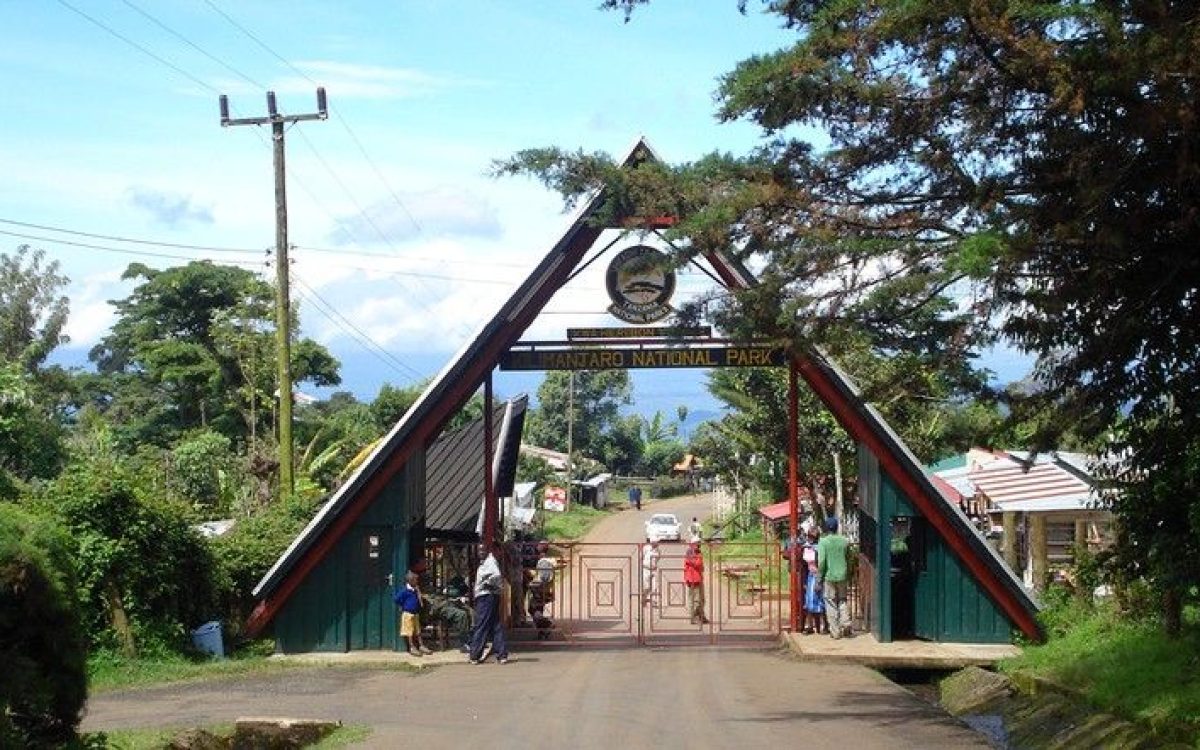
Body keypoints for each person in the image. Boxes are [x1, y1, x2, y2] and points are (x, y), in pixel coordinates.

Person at [467, 541, 510, 664]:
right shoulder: (486, 562)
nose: (480, 553)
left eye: (483, 550)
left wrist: (487, 583)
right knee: (496, 625)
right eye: (479, 551)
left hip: (486, 597)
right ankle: (502, 654)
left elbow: (496, 575)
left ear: (488, 551)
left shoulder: (490, 562)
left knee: (481, 624)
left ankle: (475, 655)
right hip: (490, 596)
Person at [817, 516, 852, 639]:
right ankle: (846, 623)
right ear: (837, 528)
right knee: (842, 599)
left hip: (829, 576)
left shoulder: (823, 542)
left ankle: (835, 631)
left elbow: (821, 561)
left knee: (830, 602)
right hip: (842, 575)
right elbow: (848, 558)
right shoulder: (844, 541)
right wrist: (848, 573)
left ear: (826, 528)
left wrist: (819, 578)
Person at [393, 572, 433, 656]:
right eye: (415, 580)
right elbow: (396, 599)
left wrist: (418, 592)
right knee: (409, 632)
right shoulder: (405, 591)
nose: (417, 582)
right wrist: (403, 605)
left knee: (418, 630)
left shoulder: (415, 590)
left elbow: (420, 601)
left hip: (415, 613)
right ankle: (412, 647)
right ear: (410, 581)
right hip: (408, 614)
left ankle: (421, 645)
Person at [801, 527, 827, 634]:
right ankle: (811, 626)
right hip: (811, 576)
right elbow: (805, 562)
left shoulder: (820, 547)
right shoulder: (807, 547)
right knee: (810, 600)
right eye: (810, 536)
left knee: (822, 600)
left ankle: (825, 626)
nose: (810, 539)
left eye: (813, 537)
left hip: (819, 575)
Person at [683, 541, 709, 624]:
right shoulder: (690, 553)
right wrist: (699, 558)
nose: (698, 545)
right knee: (695, 600)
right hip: (693, 579)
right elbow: (697, 564)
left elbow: (701, 566)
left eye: (698, 543)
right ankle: (694, 617)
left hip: (698, 578)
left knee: (701, 599)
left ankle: (701, 616)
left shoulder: (697, 552)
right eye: (696, 543)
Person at [641, 539, 660, 605]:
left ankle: (653, 600)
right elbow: (641, 557)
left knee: (654, 586)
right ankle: (644, 598)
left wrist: (654, 565)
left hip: (653, 570)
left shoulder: (657, 550)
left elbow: (658, 559)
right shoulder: (646, 548)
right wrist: (644, 564)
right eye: (655, 542)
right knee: (646, 587)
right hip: (646, 569)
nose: (657, 544)